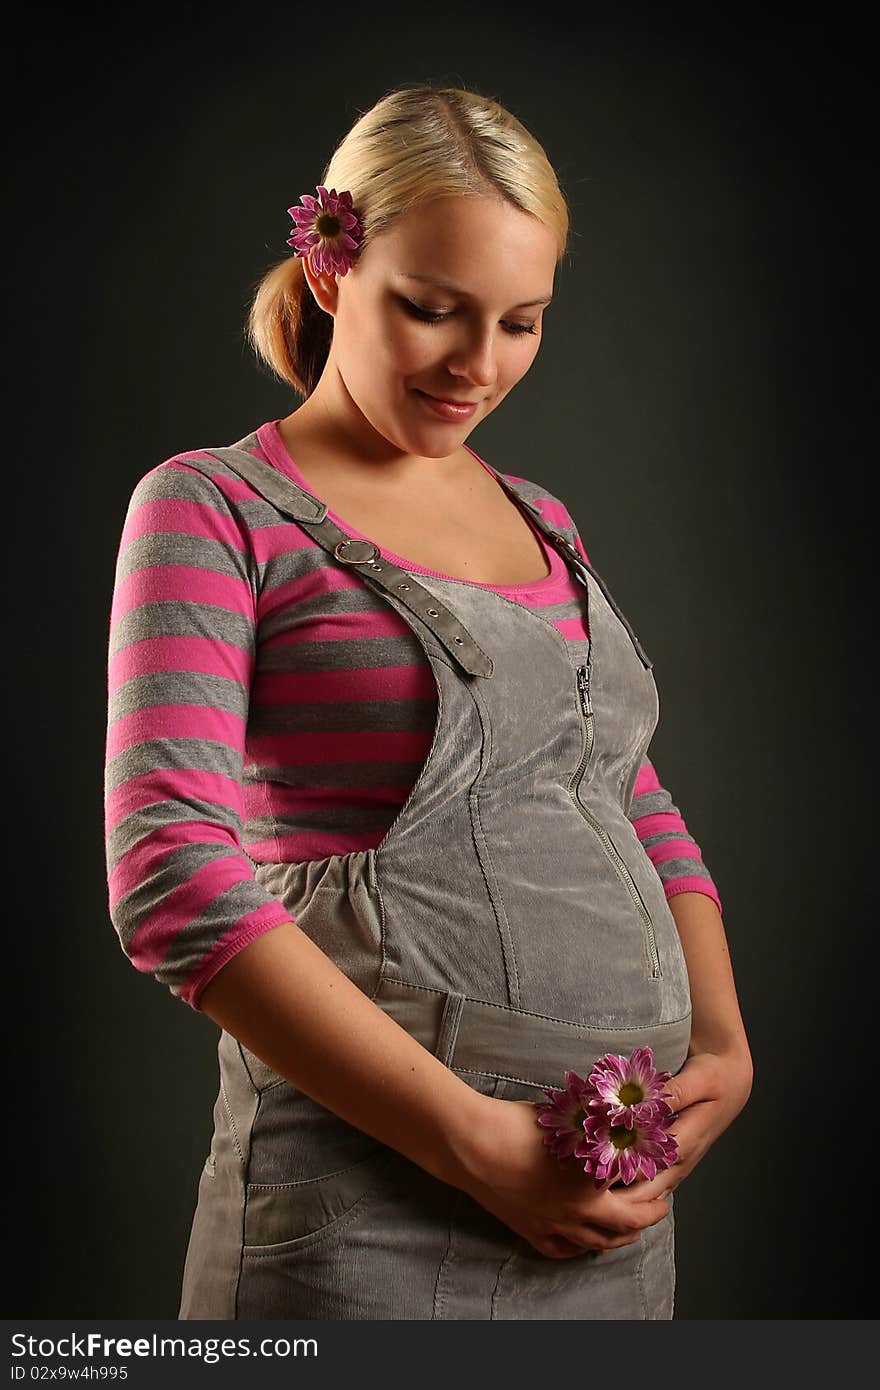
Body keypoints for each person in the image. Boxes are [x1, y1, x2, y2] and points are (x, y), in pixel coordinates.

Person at [103, 83, 753, 1321]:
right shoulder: (213, 509)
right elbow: (169, 872)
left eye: (522, 322)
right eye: (431, 309)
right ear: (331, 263)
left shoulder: (542, 518)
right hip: (367, 1213)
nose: (479, 364)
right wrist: (475, 1143)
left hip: (605, 1219)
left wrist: (719, 1046)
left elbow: (623, 791)